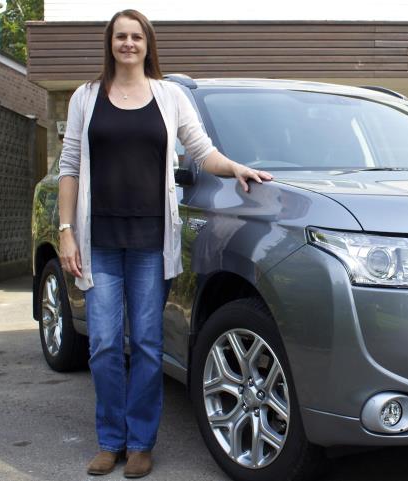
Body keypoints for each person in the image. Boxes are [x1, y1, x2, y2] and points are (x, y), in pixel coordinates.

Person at [57, 9, 272, 478]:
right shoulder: (87, 97)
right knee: (105, 347)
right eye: (120, 36)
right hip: (101, 243)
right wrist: (66, 230)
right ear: (110, 43)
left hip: (152, 243)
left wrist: (235, 167)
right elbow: (70, 165)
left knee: (149, 344)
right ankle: (109, 440)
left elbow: (201, 149)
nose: (128, 44)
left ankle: (140, 444)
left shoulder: (169, 96)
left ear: (148, 44)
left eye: (136, 37)